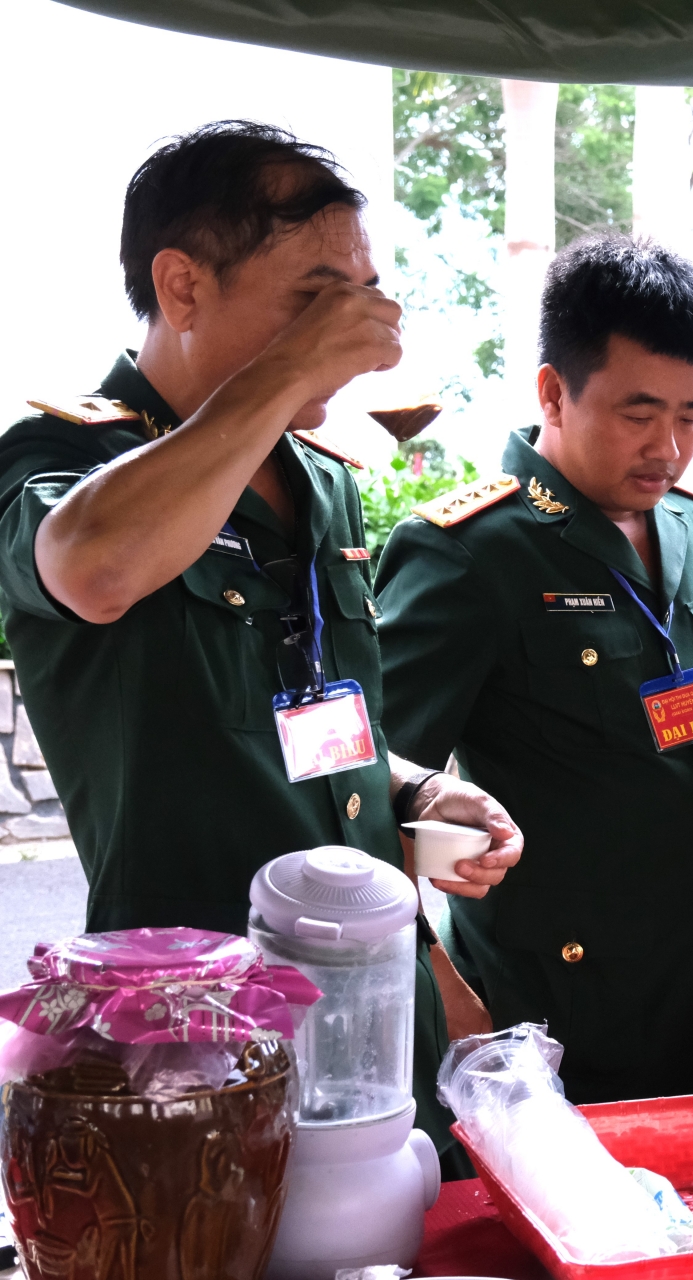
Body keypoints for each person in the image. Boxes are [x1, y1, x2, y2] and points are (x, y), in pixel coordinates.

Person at [0, 121, 524, 1175]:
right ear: (182, 287)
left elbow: (312, 721)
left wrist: (416, 791)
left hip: (375, 1020)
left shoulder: (321, 479)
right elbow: (93, 568)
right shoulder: (69, 457)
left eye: (365, 292)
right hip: (189, 1046)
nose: (359, 327)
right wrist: (285, 372)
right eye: (314, 295)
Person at [374, 235, 693, 1102]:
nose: (670, 448)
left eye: (690, 414)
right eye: (638, 414)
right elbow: (361, 792)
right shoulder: (470, 554)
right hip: (554, 1021)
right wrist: (442, 994)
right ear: (552, 393)